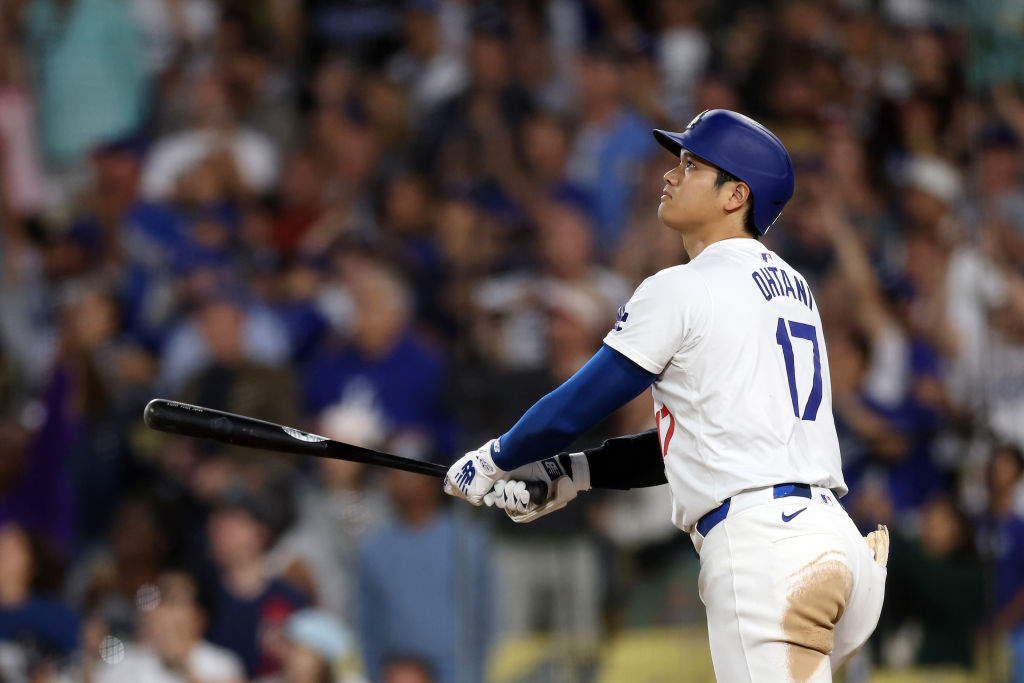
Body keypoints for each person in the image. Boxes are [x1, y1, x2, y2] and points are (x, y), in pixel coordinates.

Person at [444, 109, 889, 681]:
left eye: (692, 165)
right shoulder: (793, 286)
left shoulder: (684, 285)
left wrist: (495, 457)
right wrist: (573, 472)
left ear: (736, 196)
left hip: (766, 553)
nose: (670, 175)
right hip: (835, 544)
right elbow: (697, 443)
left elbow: (582, 402)